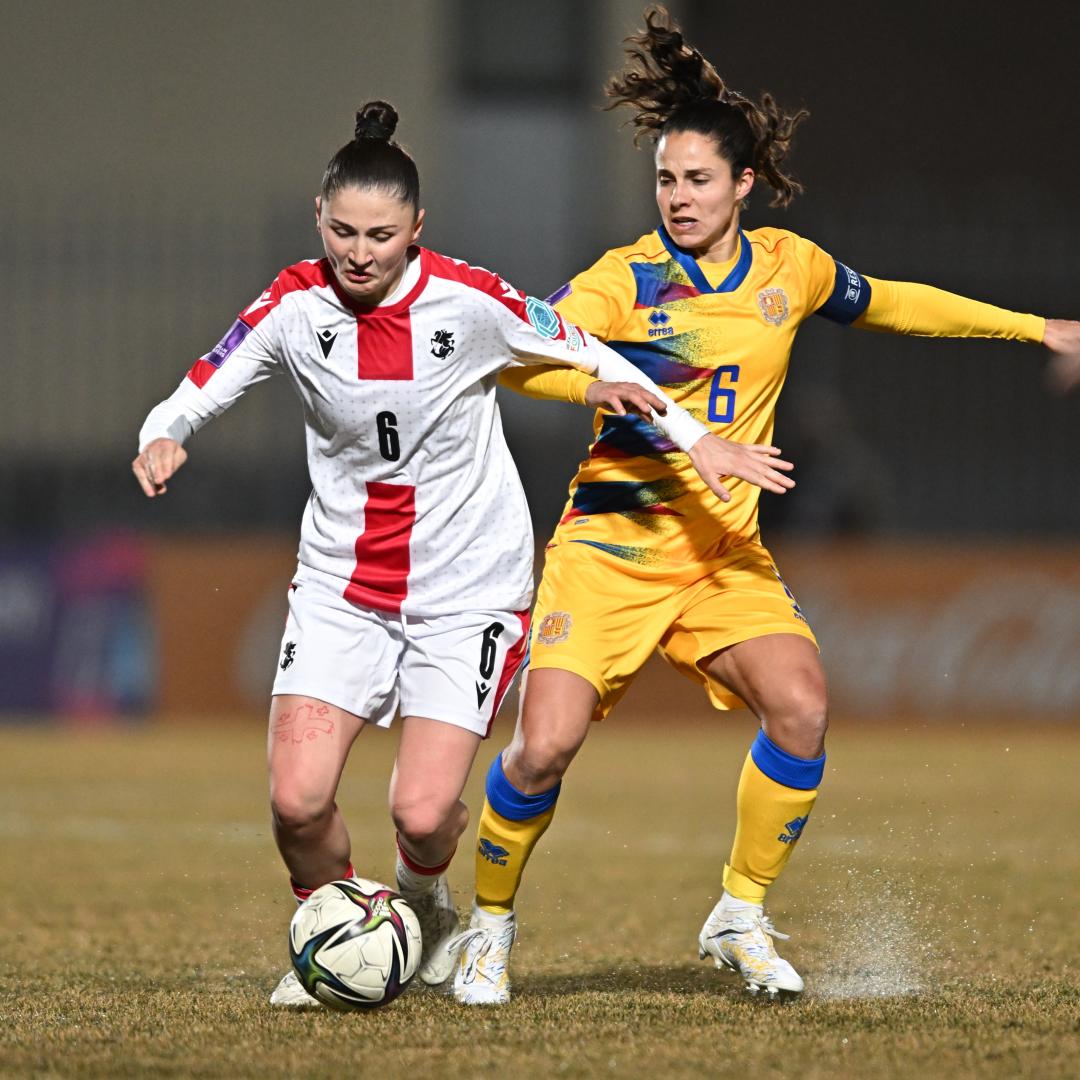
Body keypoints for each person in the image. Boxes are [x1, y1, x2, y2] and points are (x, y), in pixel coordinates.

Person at [450, 7, 1080, 1004]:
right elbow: (524, 359)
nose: (678, 196)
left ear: (744, 184)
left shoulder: (789, 270)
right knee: (544, 744)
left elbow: (898, 302)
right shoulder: (628, 280)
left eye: (698, 179)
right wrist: (594, 382)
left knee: (802, 705)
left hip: (720, 559)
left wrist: (1035, 329)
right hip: (612, 548)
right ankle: (486, 928)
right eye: (665, 179)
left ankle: (738, 912)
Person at [131, 99, 794, 1007]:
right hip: (341, 587)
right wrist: (165, 433)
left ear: (416, 230)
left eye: (381, 235)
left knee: (423, 811)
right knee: (295, 802)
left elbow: (605, 355)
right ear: (317, 220)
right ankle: (336, 926)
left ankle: (422, 908)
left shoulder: (470, 301)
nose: (360, 253)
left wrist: (697, 440)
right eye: (343, 231)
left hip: (465, 591)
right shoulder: (293, 305)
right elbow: (207, 376)